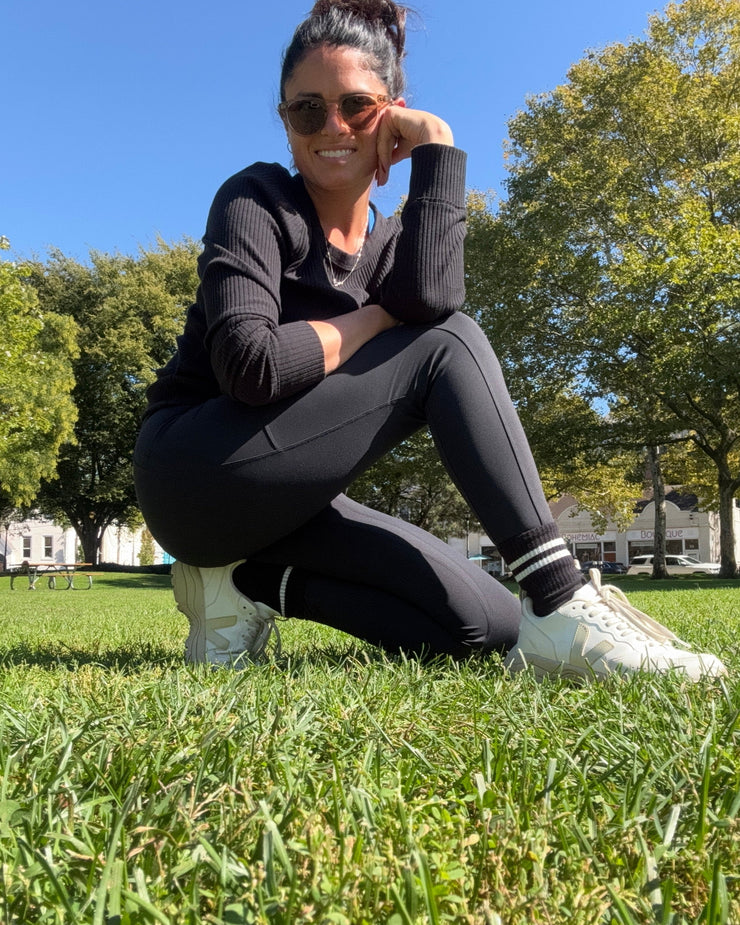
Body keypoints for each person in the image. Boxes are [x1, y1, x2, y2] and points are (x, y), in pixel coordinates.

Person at [134, 0, 725, 682]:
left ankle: (250, 584)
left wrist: (439, 147)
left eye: (357, 106)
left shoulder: (389, 247)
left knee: (489, 626)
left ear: (391, 114)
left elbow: (434, 296)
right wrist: (381, 319)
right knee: (447, 343)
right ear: (285, 122)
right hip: (194, 472)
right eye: (307, 110)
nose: (333, 127)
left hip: (287, 496)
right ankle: (562, 598)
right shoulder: (255, 201)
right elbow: (252, 367)